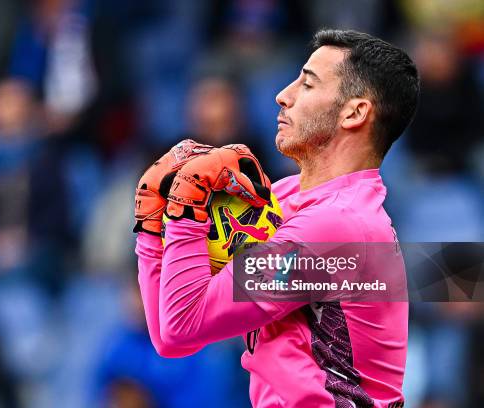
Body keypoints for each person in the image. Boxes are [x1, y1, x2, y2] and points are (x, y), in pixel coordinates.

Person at [134, 29, 420, 407]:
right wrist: (154, 227)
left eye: (308, 84)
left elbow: (184, 322)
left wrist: (185, 210)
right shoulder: (284, 198)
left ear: (355, 112)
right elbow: (173, 339)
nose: (282, 95)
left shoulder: (337, 226)